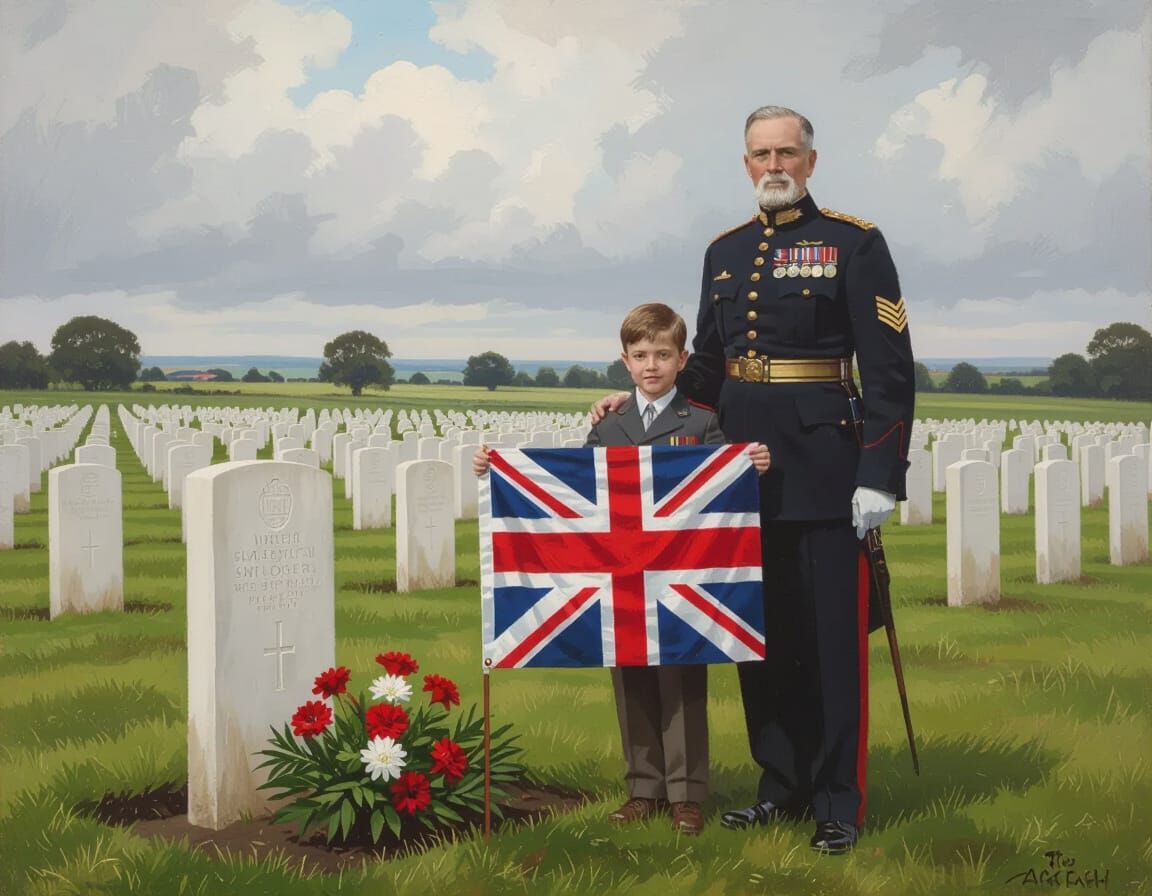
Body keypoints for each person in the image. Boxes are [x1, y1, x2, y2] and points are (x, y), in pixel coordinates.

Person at [590, 106, 915, 854]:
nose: (773, 165)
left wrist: (879, 472)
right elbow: (706, 363)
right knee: (757, 641)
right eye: (760, 154)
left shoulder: (854, 244)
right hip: (735, 479)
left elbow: (890, 370)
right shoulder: (725, 252)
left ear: (810, 160)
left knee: (832, 642)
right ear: (745, 165)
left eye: (786, 153)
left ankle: (838, 800)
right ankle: (781, 787)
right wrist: (638, 398)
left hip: (829, 470)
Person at [476, 302, 771, 836]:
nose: (651, 366)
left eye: (662, 354)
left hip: (677, 577)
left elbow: (721, 491)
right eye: (640, 356)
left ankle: (686, 795)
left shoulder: (702, 423)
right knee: (629, 677)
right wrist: (495, 469)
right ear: (624, 361)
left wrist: (750, 466)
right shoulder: (608, 425)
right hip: (618, 577)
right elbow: (580, 487)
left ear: (683, 359)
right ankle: (643, 788)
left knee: (682, 677)